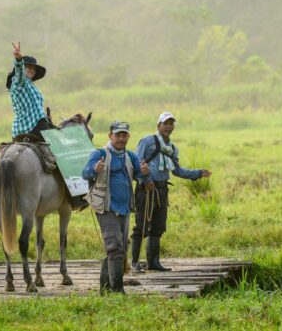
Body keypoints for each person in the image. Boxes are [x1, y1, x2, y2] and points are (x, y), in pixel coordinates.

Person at [131, 111, 212, 272]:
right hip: (146, 190)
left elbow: (177, 171)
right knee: (141, 226)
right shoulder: (148, 141)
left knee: (158, 227)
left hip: (162, 190)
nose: (168, 127)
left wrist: (197, 173)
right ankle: (134, 263)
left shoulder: (172, 148)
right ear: (158, 125)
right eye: (165, 123)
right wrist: (146, 181)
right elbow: (135, 163)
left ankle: (154, 263)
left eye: (171, 123)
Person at [82, 121, 149, 293]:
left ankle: (105, 288)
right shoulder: (100, 153)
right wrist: (95, 169)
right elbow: (85, 172)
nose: (120, 139)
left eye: (124, 135)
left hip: (124, 208)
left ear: (128, 137)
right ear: (110, 136)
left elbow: (140, 175)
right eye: (117, 135)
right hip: (106, 207)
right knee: (115, 247)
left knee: (119, 248)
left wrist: (145, 172)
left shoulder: (130, 156)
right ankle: (117, 290)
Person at [7, 42, 51, 140]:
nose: (32, 70)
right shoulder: (18, 81)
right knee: (57, 147)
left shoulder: (30, 84)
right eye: (29, 67)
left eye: (34, 68)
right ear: (23, 68)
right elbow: (19, 74)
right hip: (32, 126)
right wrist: (18, 60)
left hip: (36, 124)